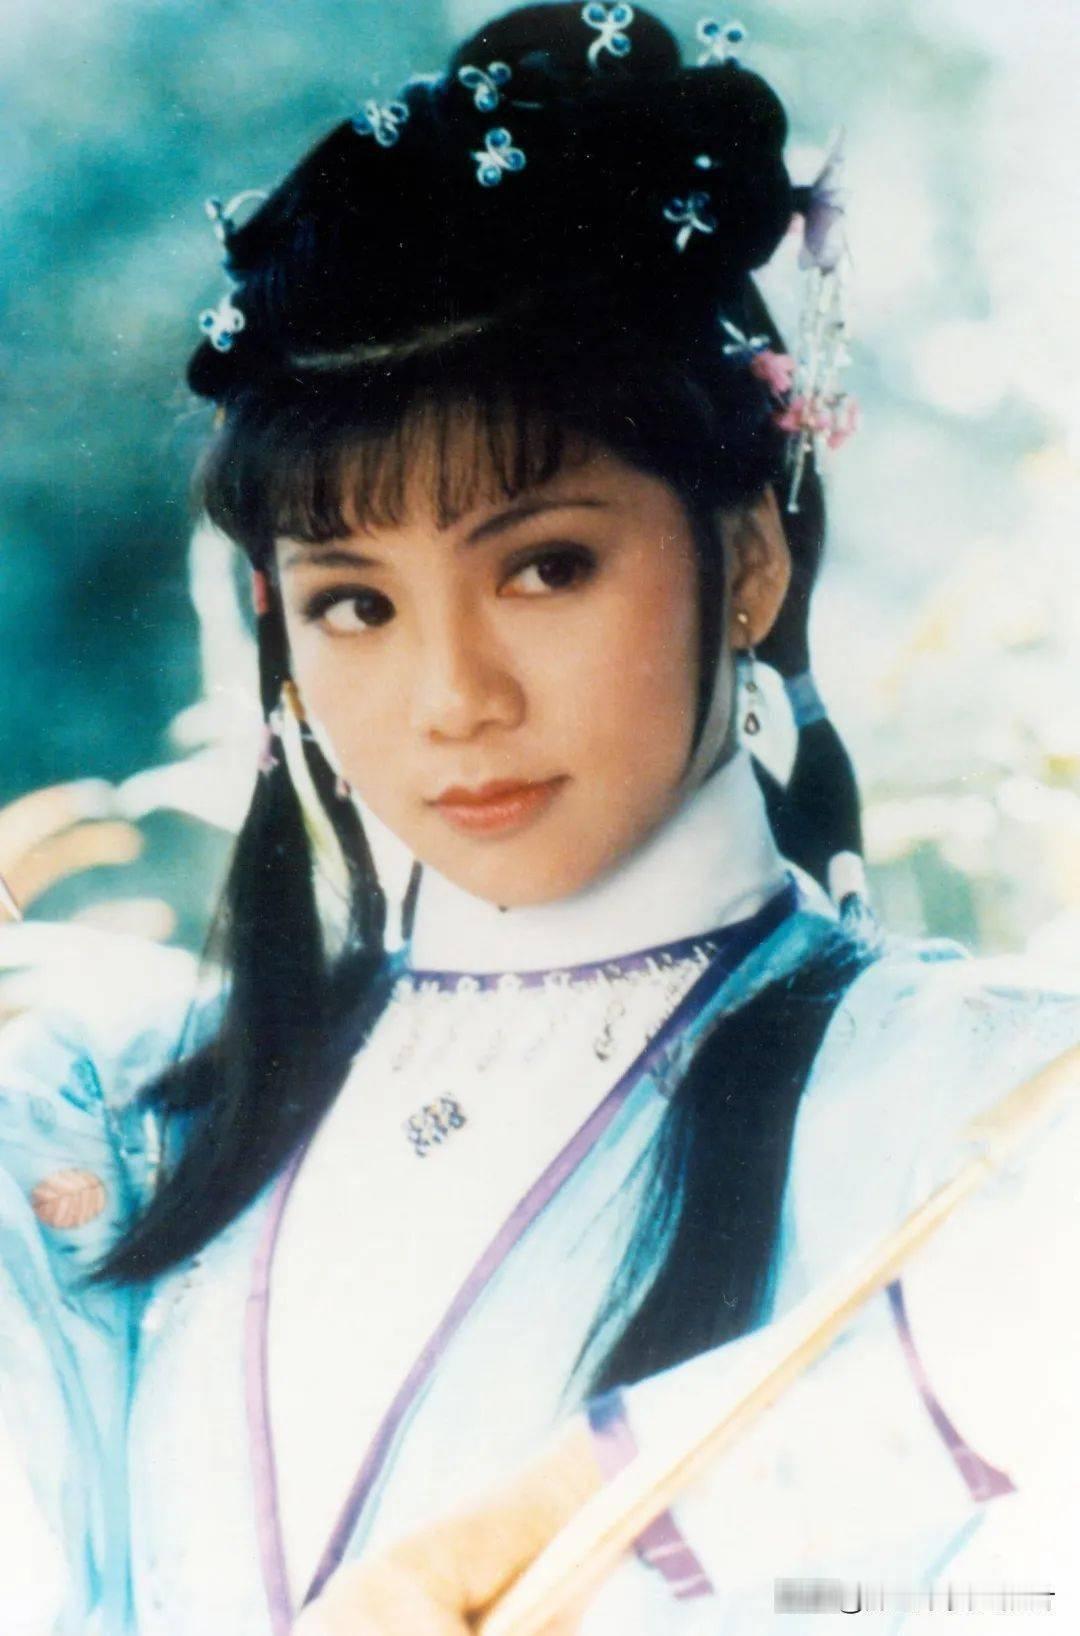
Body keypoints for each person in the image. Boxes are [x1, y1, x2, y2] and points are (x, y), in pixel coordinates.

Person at [0, 6, 1078, 1634]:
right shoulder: (123, 1120)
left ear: (750, 557)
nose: (453, 698)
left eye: (545, 567)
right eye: (355, 603)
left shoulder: (988, 1116)